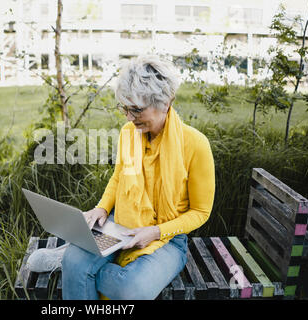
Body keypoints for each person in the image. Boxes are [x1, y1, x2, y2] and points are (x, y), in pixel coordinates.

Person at [61, 55, 216, 300]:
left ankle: (74, 268)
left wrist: (155, 231)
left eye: (137, 109)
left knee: (127, 288)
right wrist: (101, 209)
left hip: (167, 238)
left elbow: (200, 212)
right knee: (73, 261)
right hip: (119, 224)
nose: (129, 117)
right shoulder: (128, 133)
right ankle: (73, 262)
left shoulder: (195, 144)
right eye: (125, 108)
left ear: (165, 103)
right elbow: (119, 177)